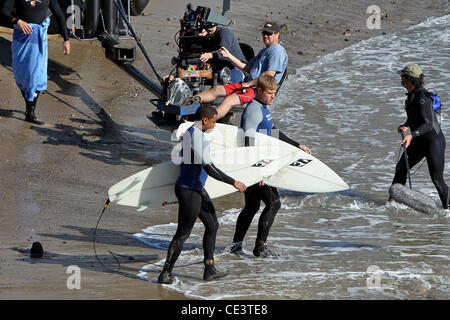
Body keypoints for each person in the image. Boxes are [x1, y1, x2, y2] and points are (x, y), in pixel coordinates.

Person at [158, 106, 247, 284]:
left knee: (213, 225)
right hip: (189, 191)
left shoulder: (193, 132)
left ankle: (209, 269)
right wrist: (233, 182)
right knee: (183, 233)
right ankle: (165, 273)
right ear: (205, 121)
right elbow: (210, 168)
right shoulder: (196, 137)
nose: (215, 125)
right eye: (214, 121)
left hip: (196, 188)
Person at [230, 74, 311, 257]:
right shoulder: (253, 110)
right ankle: (259, 247)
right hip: (256, 166)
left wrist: (296, 145)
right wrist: (257, 173)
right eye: (269, 93)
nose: (272, 96)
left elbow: (274, 134)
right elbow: (247, 142)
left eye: (274, 93)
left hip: (260, 165)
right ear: (258, 91)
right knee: (274, 203)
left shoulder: (263, 108)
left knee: (251, 207)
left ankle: (236, 246)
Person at [189, 22, 288, 119]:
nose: (265, 36)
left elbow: (269, 75)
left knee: (228, 100)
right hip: (249, 84)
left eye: (269, 34)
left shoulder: (276, 50)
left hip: (258, 90)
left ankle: (205, 123)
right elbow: (247, 68)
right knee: (217, 90)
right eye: (264, 33)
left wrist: (248, 84)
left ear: (277, 34)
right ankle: (186, 108)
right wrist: (229, 55)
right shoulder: (265, 50)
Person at [1, 0, 71, 125]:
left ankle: (30, 110)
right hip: (21, 39)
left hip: (38, 39)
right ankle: (29, 104)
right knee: (20, 75)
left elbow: (60, 15)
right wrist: (17, 21)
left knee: (37, 75)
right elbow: (4, 12)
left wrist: (66, 39)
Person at [392, 64, 449, 209]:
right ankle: (393, 204)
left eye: (403, 76)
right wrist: (406, 125)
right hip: (419, 140)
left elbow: (428, 124)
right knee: (401, 169)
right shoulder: (411, 96)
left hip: (433, 141)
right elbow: (415, 118)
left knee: (437, 179)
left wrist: (411, 135)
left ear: (409, 79)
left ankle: (448, 210)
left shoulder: (422, 97)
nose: (401, 78)